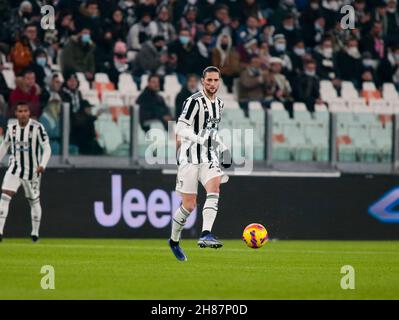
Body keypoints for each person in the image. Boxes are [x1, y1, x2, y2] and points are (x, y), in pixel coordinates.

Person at [168, 66, 232, 262]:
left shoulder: (219, 104)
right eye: (209, 80)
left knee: (215, 188)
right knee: (188, 205)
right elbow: (179, 128)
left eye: (216, 80)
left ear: (219, 82)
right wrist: (202, 141)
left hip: (208, 156)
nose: (212, 84)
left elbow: (211, 131)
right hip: (189, 157)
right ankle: (174, 241)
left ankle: (206, 234)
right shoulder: (193, 101)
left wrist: (223, 148)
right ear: (203, 81)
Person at [0, 101, 51, 242]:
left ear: (29, 113)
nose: (23, 114)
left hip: (33, 172)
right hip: (14, 169)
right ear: (16, 113)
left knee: (33, 201)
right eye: (20, 111)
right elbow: (5, 145)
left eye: (25, 111)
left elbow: (47, 148)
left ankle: (35, 233)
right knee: (5, 196)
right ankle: (0, 232)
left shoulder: (37, 128)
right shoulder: (11, 128)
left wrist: (43, 164)